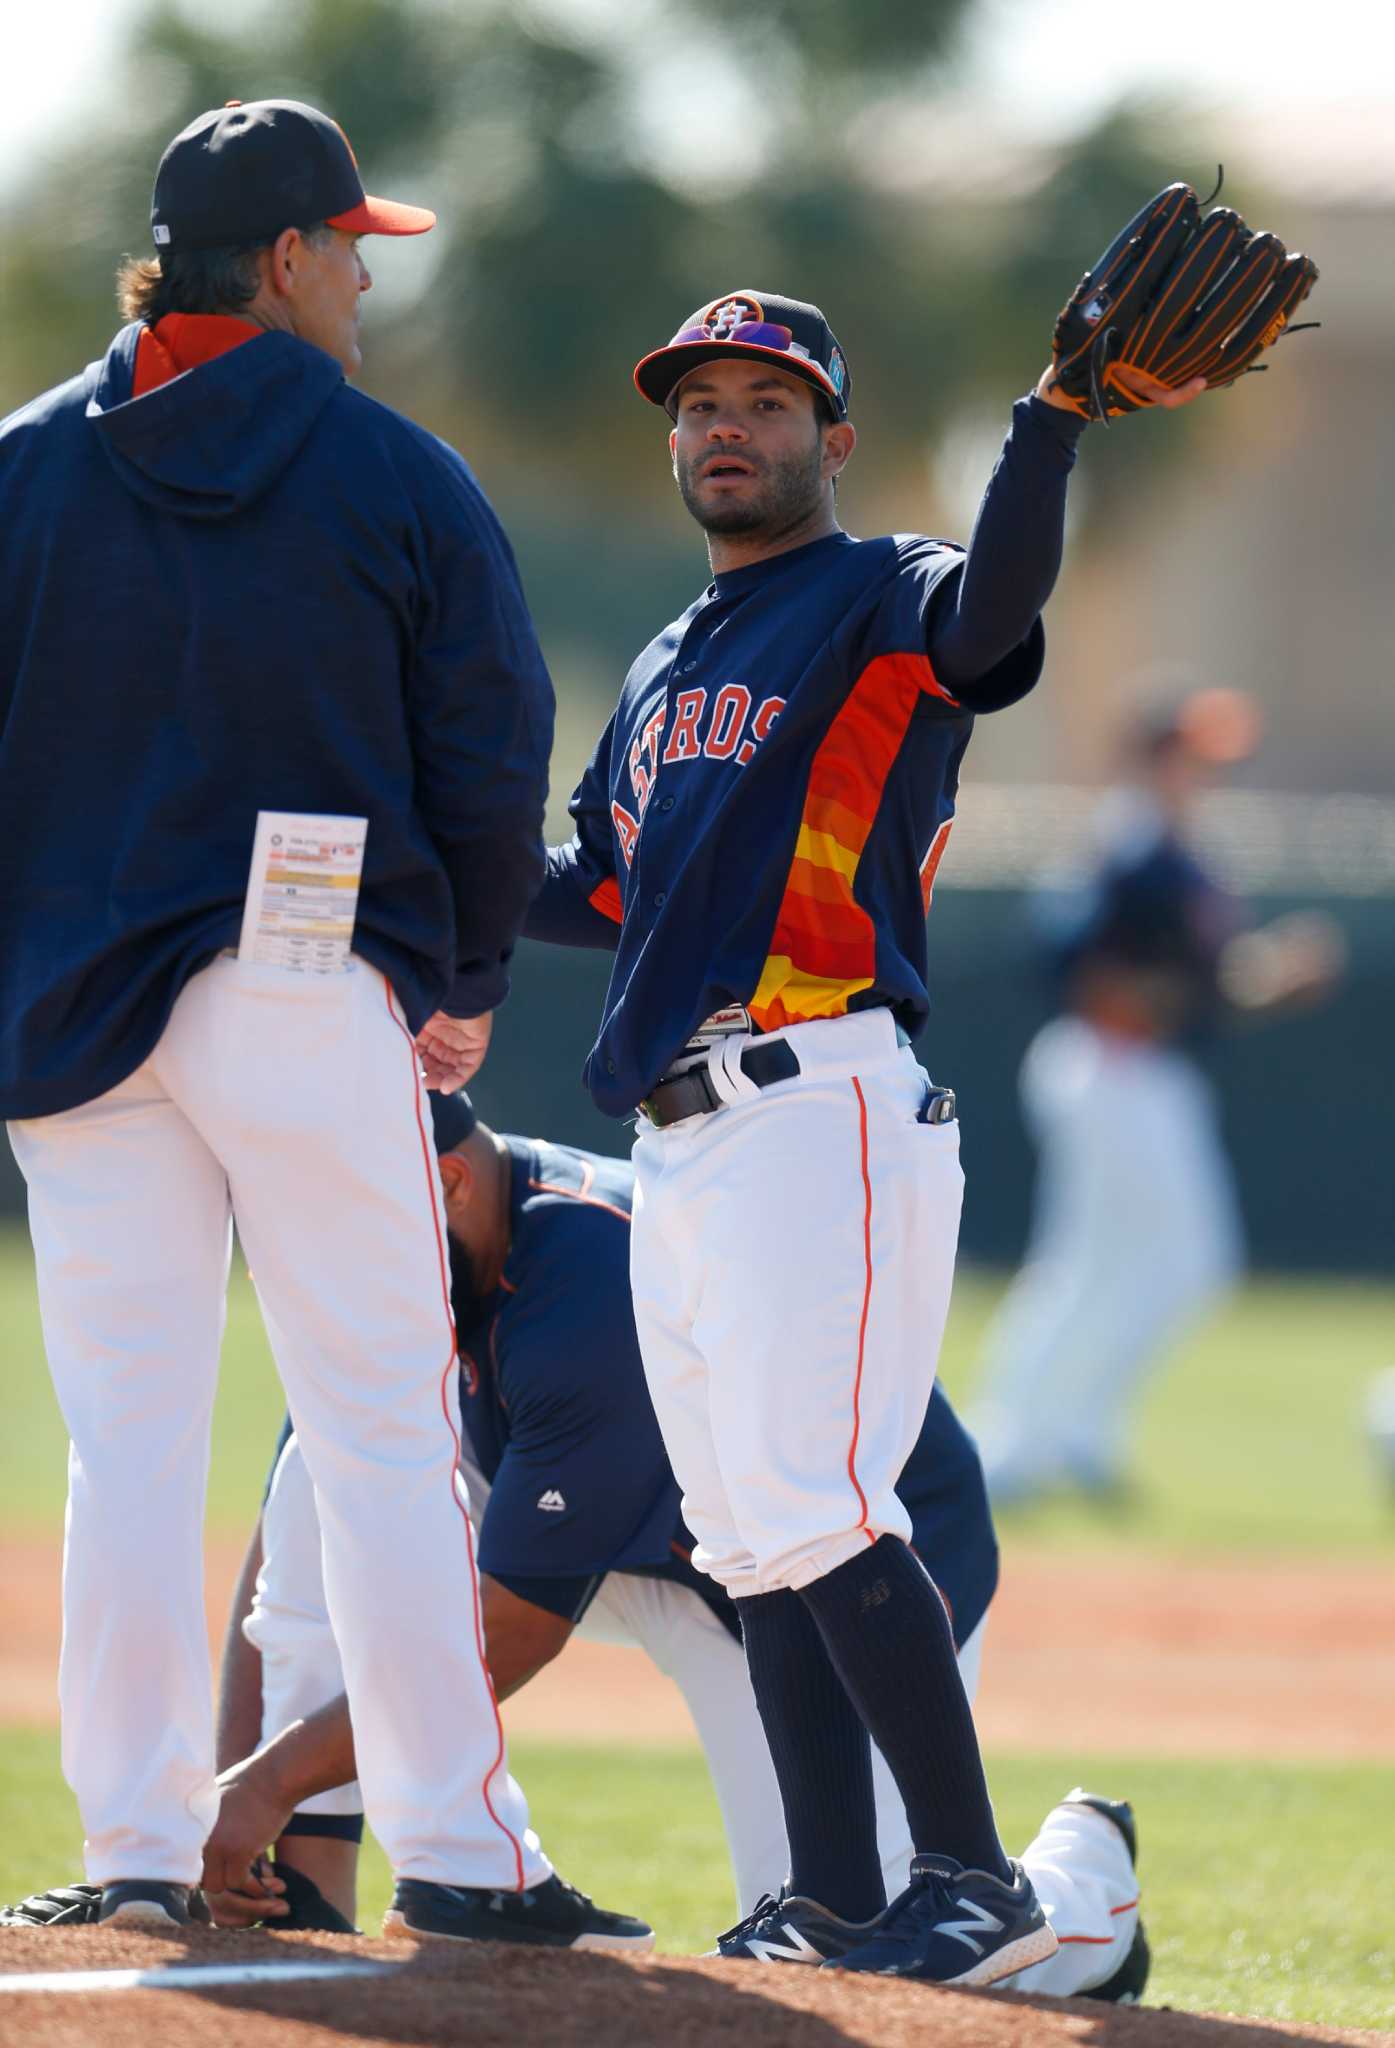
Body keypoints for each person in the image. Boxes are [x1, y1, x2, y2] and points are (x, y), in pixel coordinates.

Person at [0, 96, 646, 1951]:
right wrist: (458, 989)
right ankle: (456, 1840)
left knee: (121, 1440)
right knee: (379, 1417)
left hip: (72, 1012)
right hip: (300, 980)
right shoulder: (392, 473)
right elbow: (488, 741)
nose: (366, 279)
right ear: (284, 260)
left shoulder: (25, 469)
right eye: (351, 249)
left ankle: (130, 1842)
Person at [521, 288, 1207, 1983]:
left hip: (819, 1098)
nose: (724, 427)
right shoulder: (671, 660)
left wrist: (1050, 419)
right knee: (748, 1532)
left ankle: (973, 1875)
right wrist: (407, 859)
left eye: (766, 399)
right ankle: (829, 1887)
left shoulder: (880, 594)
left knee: (822, 1502)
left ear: (831, 436)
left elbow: (993, 618)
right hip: (683, 1130)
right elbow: (606, 887)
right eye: (698, 403)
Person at [195, 1093, 1145, 2002]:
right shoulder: (428, 1255)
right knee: (334, 1476)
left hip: (840, 1578)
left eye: (344, 1233)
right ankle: (327, 1883)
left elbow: (510, 1631)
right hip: (654, 1542)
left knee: (883, 1932)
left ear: (445, 1182)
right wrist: (240, 1797)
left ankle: (1086, 1886)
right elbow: (302, 1531)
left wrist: (271, 1779)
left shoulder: (586, 1286)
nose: (332, 1268)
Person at [967, 685, 1344, 1507]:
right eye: (1188, 753)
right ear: (1150, 756)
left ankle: (1067, 1437)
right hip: (1109, 1065)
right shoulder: (1131, 844)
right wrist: (1154, 996)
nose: (1203, 771)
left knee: (1164, 1263)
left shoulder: (1179, 850)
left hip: (1150, 1072)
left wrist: (1270, 977)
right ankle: (1013, 1442)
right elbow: (1061, 957)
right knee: (1109, 1258)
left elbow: (1205, 990)